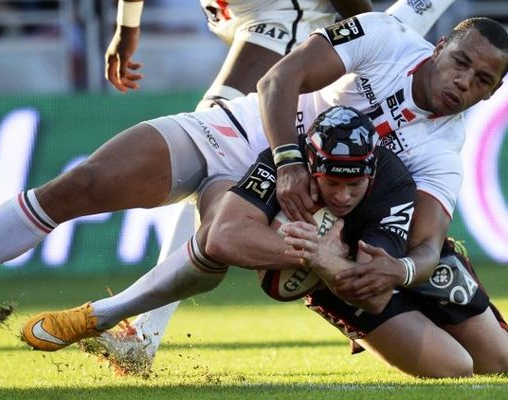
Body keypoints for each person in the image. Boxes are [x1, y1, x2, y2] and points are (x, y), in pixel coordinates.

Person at [0, 11, 506, 369]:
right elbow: (281, 78)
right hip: (246, 132)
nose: (464, 83)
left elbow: (428, 241)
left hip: (280, 198)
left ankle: (105, 317)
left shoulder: (442, 154)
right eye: (461, 63)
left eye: (483, 81)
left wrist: (401, 271)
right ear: (439, 47)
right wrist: (290, 156)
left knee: (218, 244)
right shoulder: (386, 37)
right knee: (82, 182)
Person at [101, 0, 458, 371]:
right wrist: (128, 26)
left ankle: (144, 333)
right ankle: (146, 331)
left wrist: (365, 34)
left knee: (210, 142)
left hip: (292, 31)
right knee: (219, 198)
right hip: (274, 34)